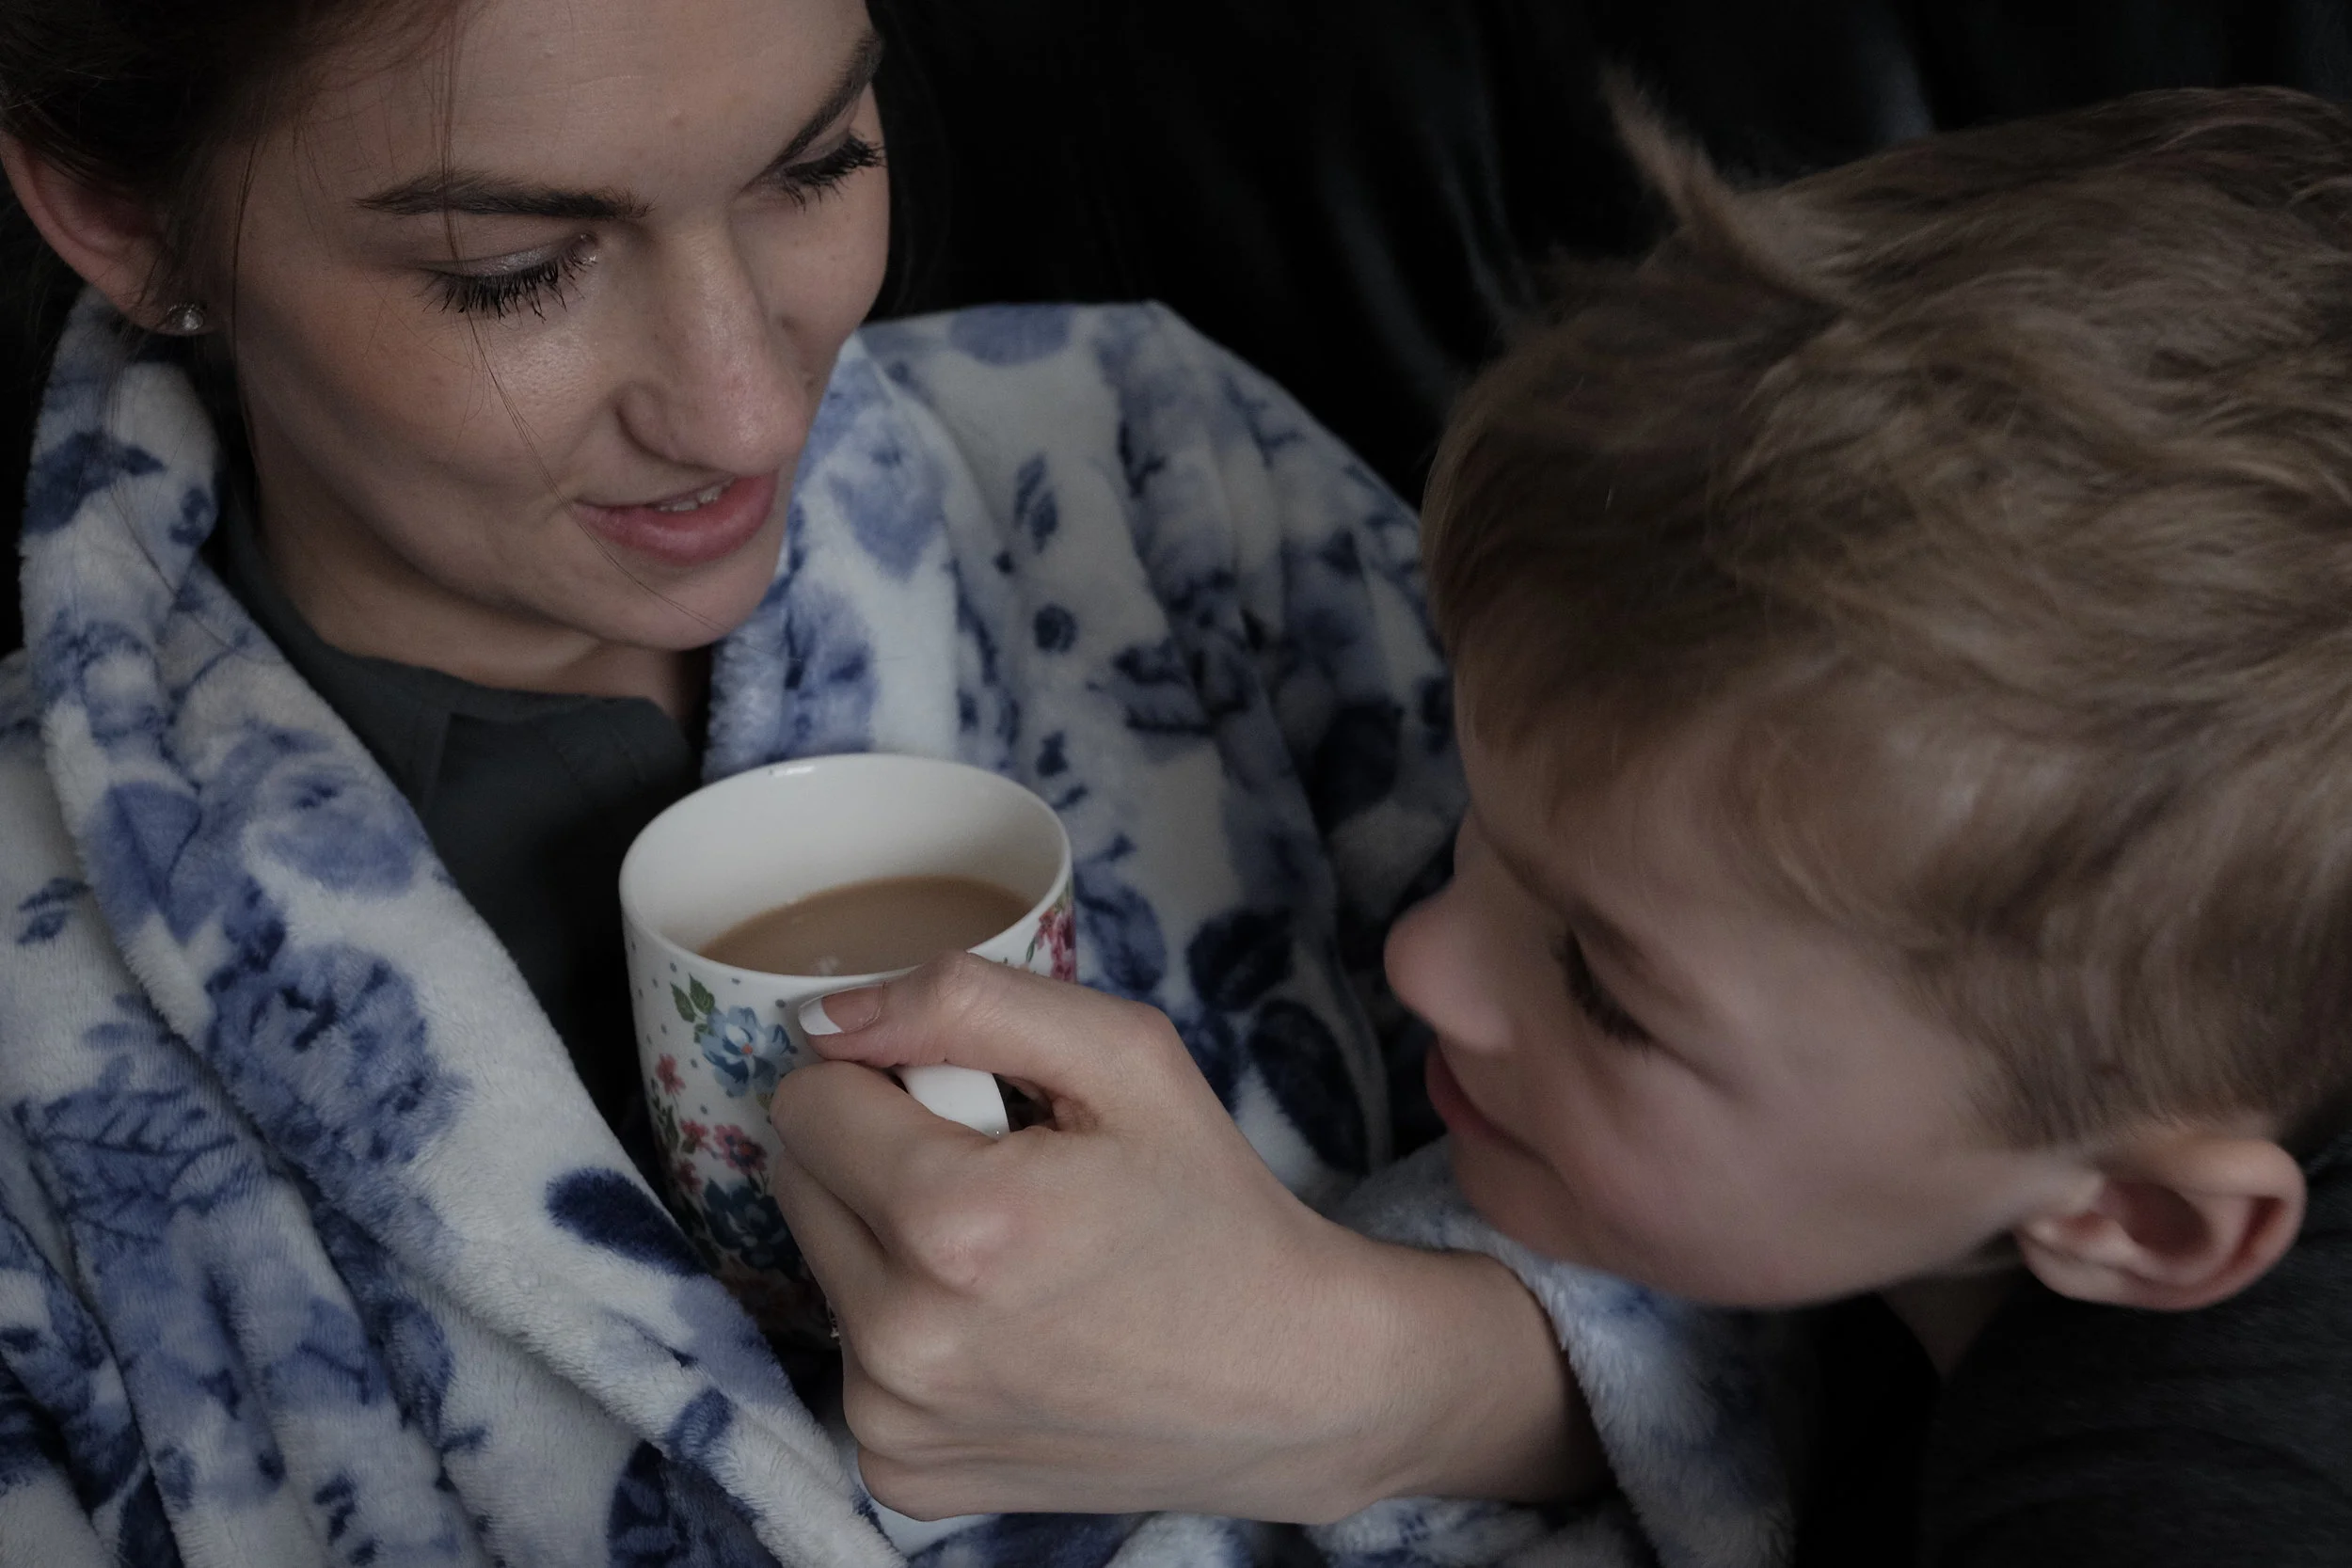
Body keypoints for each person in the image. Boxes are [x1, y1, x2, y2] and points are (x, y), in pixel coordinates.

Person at [0, 2, 1791, 1565]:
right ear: (120, 214)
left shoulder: (1154, 476)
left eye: (818, 162)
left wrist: (1368, 1375)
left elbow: (1881, 1205)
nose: (745, 408)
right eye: (515, 269)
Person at [774, 85, 2352, 1566]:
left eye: (1607, 983)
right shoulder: (2028, 1105)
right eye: (1487, 822)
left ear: (2136, 1218)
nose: (1426, 957)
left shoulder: (2179, 1482)